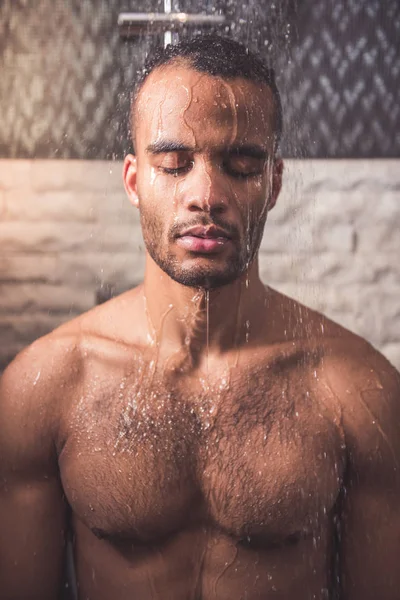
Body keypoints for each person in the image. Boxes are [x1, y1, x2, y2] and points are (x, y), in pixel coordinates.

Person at [0, 34, 399, 600]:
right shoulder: (46, 387)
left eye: (240, 165)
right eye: (174, 164)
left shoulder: (357, 391)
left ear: (275, 183)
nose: (206, 194)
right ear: (134, 181)